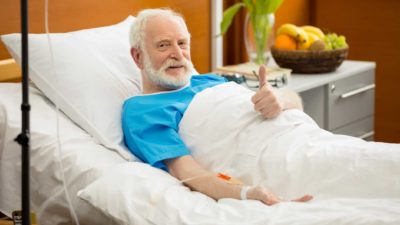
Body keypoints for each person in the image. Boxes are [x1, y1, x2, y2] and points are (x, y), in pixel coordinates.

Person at [122, 8, 312, 205]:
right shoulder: (142, 110)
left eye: (182, 44)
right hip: (275, 160)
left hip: (303, 137)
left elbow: (296, 103)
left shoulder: (211, 79)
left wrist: (279, 99)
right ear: (138, 57)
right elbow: (187, 172)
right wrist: (248, 193)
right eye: (163, 45)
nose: (178, 54)